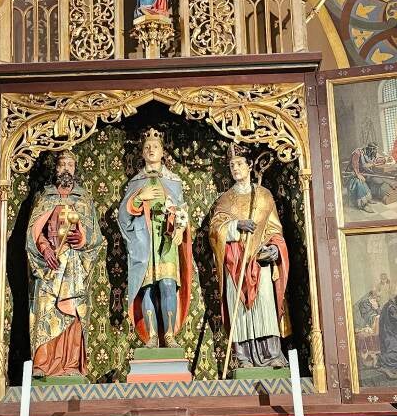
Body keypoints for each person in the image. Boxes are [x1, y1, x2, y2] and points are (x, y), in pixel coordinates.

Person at [208, 145, 290, 370]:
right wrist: (236, 225)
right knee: (240, 310)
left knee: (265, 304)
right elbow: (214, 230)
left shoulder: (264, 195)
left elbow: (274, 229)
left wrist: (274, 249)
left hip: (259, 259)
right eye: (231, 165)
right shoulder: (225, 199)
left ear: (250, 165)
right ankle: (243, 357)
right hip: (235, 262)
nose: (235, 168)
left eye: (239, 164)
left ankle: (272, 354)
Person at [26, 151, 103, 378]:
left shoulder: (83, 198)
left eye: (70, 164)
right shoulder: (44, 196)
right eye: (62, 164)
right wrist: (45, 248)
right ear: (56, 168)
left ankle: (71, 364)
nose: (67, 168)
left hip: (74, 263)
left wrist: (82, 239)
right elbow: (33, 232)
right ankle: (43, 363)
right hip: (49, 264)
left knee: (73, 309)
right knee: (45, 307)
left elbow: (95, 236)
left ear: (75, 169)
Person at [118, 129, 192, 347]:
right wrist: (139, 198)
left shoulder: (173, 181)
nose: (151, 150)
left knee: (168, 284)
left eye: (155, 147)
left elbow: (182, 211)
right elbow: (123, 217)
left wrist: (180, 229)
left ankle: (169, 335)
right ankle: (151, 336)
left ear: (162, 152)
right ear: (142, 153)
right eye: (147, 147)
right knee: (148, 286)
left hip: (166, 239)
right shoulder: (135, 183)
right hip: (143, 240)